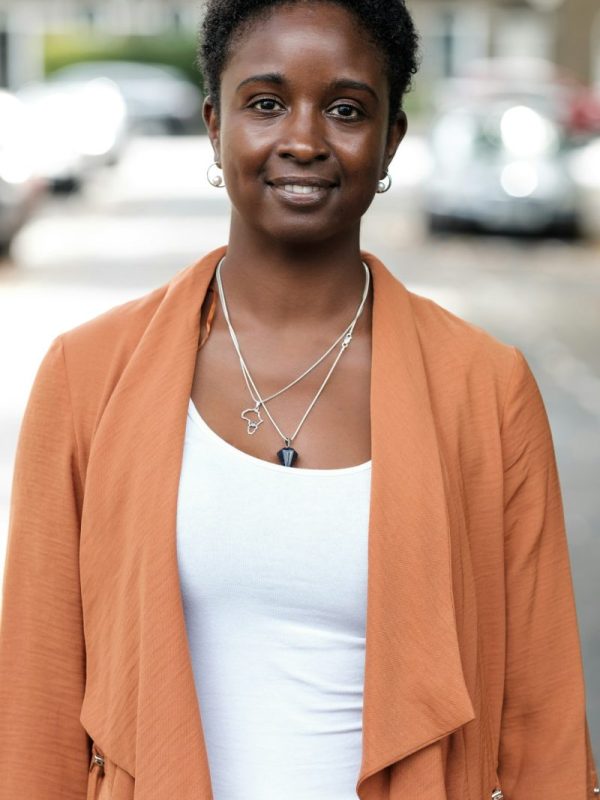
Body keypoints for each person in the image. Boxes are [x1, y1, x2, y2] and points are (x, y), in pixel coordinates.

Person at [0, 0, 598, 798]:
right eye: (267, 102)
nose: (305, 139)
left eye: (347, 109)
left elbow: (542, 723)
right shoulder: (88, 375)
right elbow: (35, 712)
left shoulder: (485, 389)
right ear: (214, 124)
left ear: (390, 141)